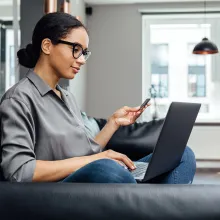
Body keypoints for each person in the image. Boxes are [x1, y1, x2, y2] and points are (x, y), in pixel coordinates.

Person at [0, 12, 196, 184]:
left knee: (183, 155)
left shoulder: (66, 96)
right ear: (47, 46)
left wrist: (113, 123)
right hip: (58, 191)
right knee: (108, 169)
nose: (82, 60)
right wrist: (96, 160)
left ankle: (146, 202)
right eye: (76, 49)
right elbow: (19, 171)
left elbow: (86, 153)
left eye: (84, 52)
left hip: (87, 176)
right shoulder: (18, 100)